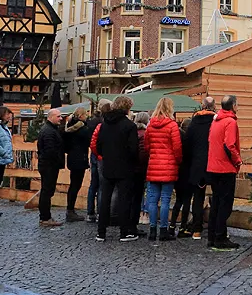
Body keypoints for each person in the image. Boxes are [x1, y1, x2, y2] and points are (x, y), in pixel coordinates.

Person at [93, 96, 140, 242]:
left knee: (105, 199)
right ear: (127, 107)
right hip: (125, 167)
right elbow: (134, 149)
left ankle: (101, 232)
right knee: (124, 199)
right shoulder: (129, 126)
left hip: (108, 165)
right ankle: (124, 232)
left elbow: (99, 145)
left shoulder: (105, 124)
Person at [144, 96, 184, 241]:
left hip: (153, 165)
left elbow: (147, 146)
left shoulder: (150, 125)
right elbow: (177, 148)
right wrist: (178, 161)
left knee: (153, 200)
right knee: (166, 199)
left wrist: (153, 156)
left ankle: (152, 230)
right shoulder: (172, 126)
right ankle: (163, 230)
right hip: (168, 166)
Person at [206, 94, 242, 251]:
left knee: (216, 203)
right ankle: (220, 237)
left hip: (213, 167)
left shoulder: (216, 121)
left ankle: (212, 236)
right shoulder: (230, 122)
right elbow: (229, 145)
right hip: (225, 168)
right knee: (225, 205)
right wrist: (237, 161)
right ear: (233, 106)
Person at [178, 97, 218, 238]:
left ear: (202, 106)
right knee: (216, 196)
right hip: (213, 163)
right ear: (214, 106)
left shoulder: (194, 122)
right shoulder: (216, 122)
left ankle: (196, 229)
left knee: (198, 197)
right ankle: (215, 228)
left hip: (197, 164)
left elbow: (187, 144)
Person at [36, 108, 66, 227]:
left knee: (47, 191)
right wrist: (57, 160)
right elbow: (50, 150)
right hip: (49, 165)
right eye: (58, 116)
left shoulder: (51, 129)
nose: (60, 118)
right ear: (51, 117)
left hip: (49, 165)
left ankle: (45, 216)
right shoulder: (49, 131)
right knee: (47, 191)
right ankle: (45, 217)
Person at [63, 106, 90, 222]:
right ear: (81, 116)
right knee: (76, 185)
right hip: (80, 159)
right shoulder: (83, 129)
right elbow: (88, 141)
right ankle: (70, 210)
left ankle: (70, 209)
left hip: (72, 158)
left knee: (73, 184)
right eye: (86, 114)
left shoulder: (69, 127)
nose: (87, 116)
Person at [85, 102, 110, 223]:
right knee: (101, 186)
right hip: (100, 155)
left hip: (93, 154)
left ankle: (90, 212)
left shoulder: (91, 122)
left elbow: (91, 141)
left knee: (93, 185)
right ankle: (101, 213)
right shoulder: (104, 123)